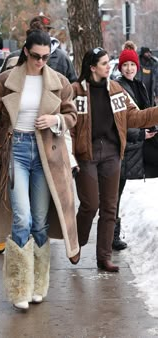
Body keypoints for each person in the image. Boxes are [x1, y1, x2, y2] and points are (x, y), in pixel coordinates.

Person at [0, 29, 79, 310]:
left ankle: (38, 284)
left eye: (46, 57)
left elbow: (72, 116)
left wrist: (55, 119)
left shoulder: (59, 82)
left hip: (46, 154)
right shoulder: (5, 81)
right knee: (21, 218)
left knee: (39, 220)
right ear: (26, 52)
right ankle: (19, 287)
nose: (40, 61)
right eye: (36, 56)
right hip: (16, 150)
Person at [71, 47, 158, 272]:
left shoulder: (116, 89)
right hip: (86, 154)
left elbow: (134, 117)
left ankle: (104, 257)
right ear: (92, 67)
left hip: (111, 153)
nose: (108, 66)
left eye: (109, 62)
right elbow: (69, 124)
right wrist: (71, 154)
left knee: (110, 207)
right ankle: (76, 242)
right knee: (90, 204)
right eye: (103, 63)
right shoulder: (76, 91)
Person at [114, 41, 158, 250]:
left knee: (118, 191)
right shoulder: (119, 87)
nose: (129, 68)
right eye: (125, 66)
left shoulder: (138, 85)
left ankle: (113, 235)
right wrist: (140, 133)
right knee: (115, 191)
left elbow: (145, 112)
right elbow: (120, 122)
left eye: (132, 65)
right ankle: (112, 236)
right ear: (120, 68)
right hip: (124, 147)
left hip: (137, 145)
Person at [1, 14, 77, 83]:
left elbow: (72, 87)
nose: (40, 61)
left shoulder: (62, 58)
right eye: (34, 56)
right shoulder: (14, 57)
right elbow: (1, 85)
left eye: (45, 31)